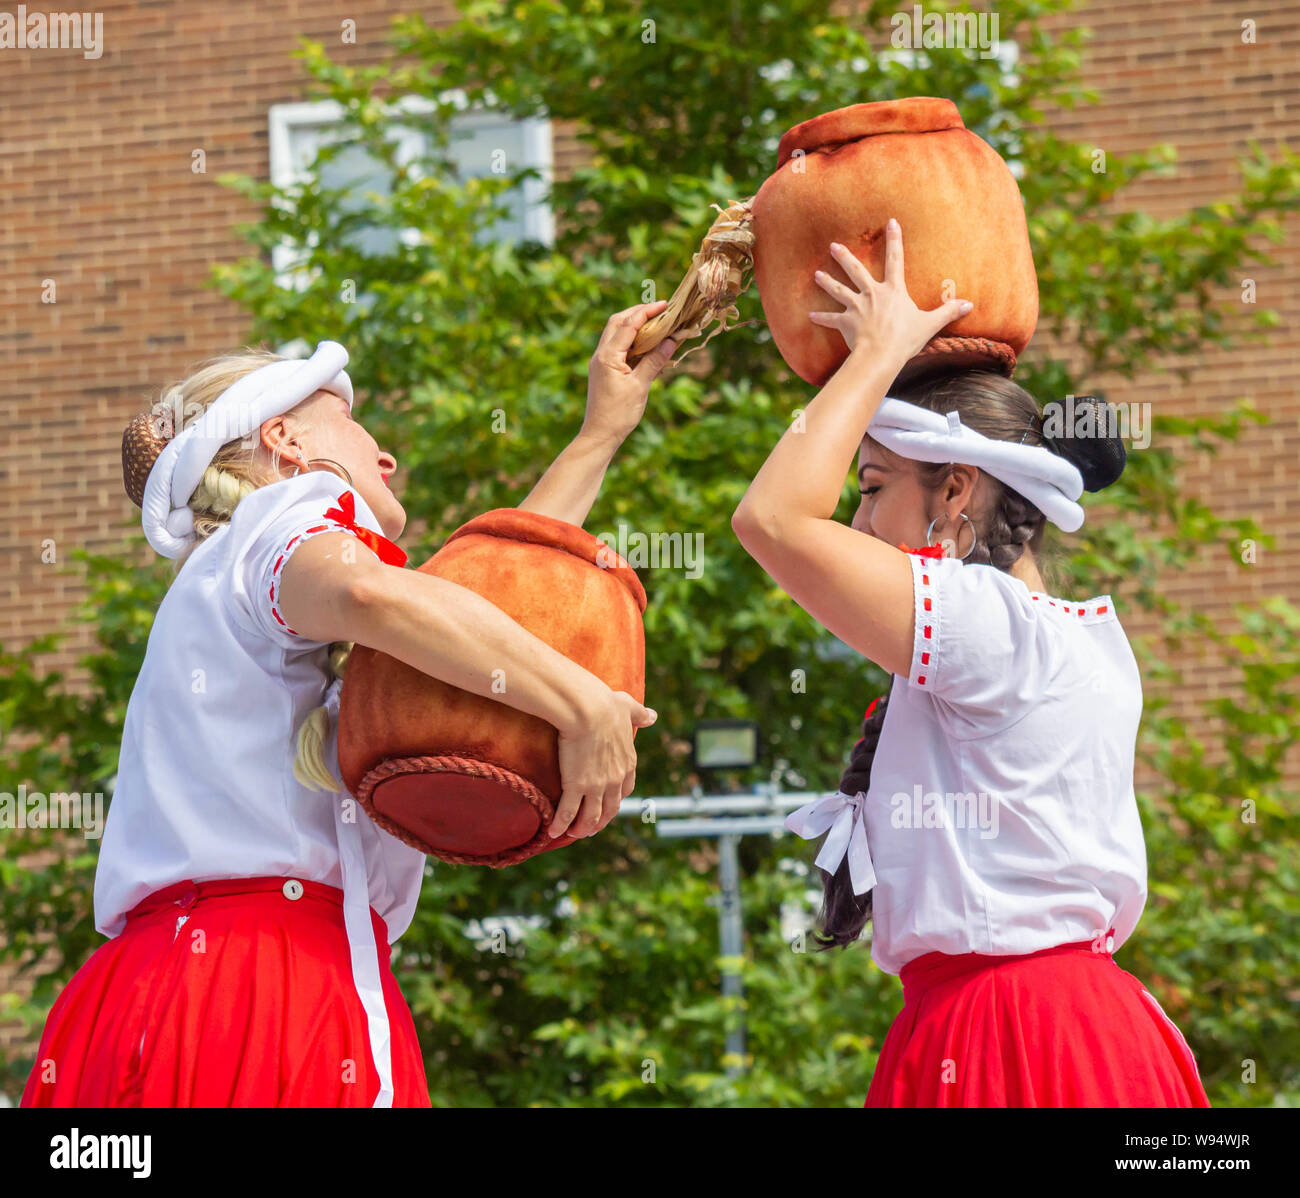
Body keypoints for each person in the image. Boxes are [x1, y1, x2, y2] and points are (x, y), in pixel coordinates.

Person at [21, 303, 676, 1108]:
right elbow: (377, 595)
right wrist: (586, 705)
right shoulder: (279, 519)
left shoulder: (244, 573)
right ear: (285, 444)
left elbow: (493, 602)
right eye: (352, 421)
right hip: (259, 988)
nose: (387, 454)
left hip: (216, 984)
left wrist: (598, 434)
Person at [733, 219, 1210, 1107]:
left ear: (957, 489)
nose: (860, 523)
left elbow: (771, 523)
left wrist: (873, 356)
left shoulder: (994, 625)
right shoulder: (1056, 634)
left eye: (872, 489)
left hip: (1009, 1034)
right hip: (1061, 1027)